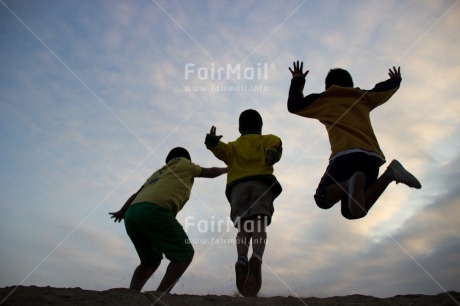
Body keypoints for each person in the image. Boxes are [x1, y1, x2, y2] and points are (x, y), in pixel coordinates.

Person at [287, 61, 421, 220]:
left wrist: (298, 79)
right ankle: (390, 174)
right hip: (371, 157)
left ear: (327, 87)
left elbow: (294, 105)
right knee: (352, 211)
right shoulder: (362, 96)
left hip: (345, 155)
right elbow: (383, 90)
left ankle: (349, 183)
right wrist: (396, 79)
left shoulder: (324, 99)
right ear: (351, 84)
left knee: (322, 199)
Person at [109, 147, 226, 293]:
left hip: (132, 214)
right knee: (185, 254)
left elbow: (136, 194)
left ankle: (132, 294)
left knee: (149, 261)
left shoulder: (158, 173)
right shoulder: (184, 163)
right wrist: (227, 169)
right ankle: (161, 295)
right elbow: (210, 172)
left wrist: (122, 211)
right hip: (155, 210)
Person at [204, 109, 283, 297]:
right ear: (261, 127)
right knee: (259, 224)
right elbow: (276, 145)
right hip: (260, 184)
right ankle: (256, 256)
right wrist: (271, 155)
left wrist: (212, 140)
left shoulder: (233, 146)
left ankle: (241, 258)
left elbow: (219, 149)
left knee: (244, 228)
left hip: (237, 188)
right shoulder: (267, 139)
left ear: (239, 128)